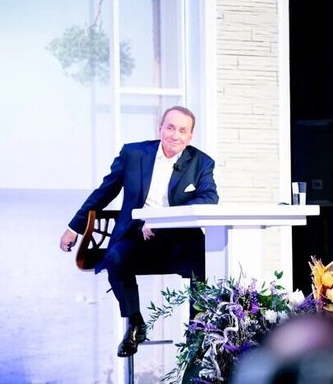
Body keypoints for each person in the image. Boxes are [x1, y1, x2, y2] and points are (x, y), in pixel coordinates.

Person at [59, 106, 219, 357]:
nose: (175, 135)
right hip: (136, 235)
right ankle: (135, 323)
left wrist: (162, 219)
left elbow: (209, 198)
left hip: (178, 238)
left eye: (182, 130)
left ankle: (197, 330)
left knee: (205, 259)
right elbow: (104, 192)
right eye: (170, 127)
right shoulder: (133, 154)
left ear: (190, 136)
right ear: (160, 128)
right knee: (115, 257)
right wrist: (74, 227)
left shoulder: (202, 162)